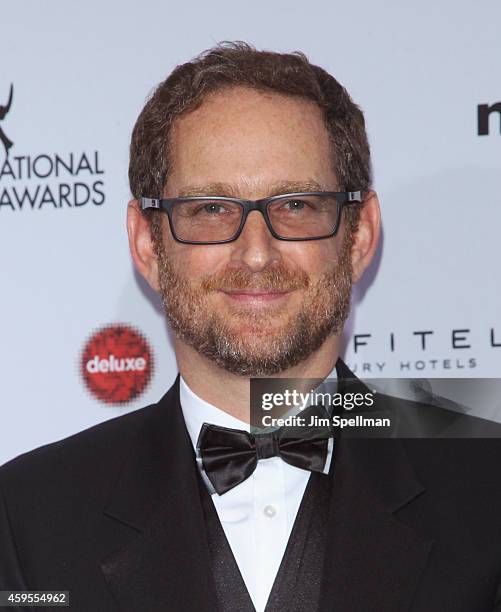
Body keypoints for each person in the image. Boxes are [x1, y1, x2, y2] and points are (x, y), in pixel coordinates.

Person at [1, 42, 501, 612]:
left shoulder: (486, 488)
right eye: (211, 209)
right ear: (147, 243)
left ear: (358, 237)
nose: (257, 254)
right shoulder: (29, 516)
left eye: (296, 206)